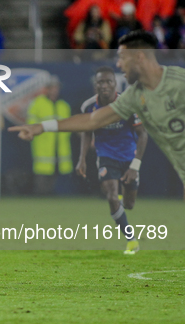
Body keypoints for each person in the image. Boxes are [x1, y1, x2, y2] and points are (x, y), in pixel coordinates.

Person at [10, 30, 185, 202]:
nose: (118, 64)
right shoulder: (134, 96)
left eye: (122, 58)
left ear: (139, 57)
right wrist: (41, 126)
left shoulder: (178, 82)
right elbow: (92, 120)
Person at [76, 67, 148, 254]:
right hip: (106, 156)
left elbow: (142, 135)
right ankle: (131, 240)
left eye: (108, 81)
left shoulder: (128, 103)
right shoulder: (89, 107)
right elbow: (86, 133)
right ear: (96, 85)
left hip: (128, 158)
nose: (105, 85)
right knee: (111, 195)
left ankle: (121, 203)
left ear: (115, 84)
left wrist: (135, 165)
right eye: (101, 82)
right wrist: (82, 159)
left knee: (129, 205)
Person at [26, 78, 72, 195]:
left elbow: (70, 126)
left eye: (56, 88)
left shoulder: (64, 106)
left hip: (60, 148)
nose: (54, 91)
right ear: (46, 89)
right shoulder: (38, 104)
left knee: (57, 180)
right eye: (52, 88)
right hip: (44, 147)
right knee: (42, 180)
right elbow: (31, 125)